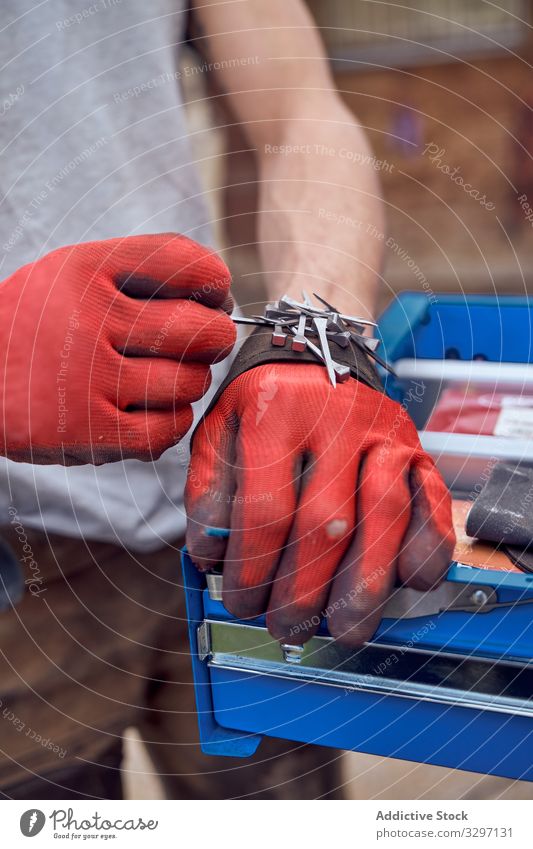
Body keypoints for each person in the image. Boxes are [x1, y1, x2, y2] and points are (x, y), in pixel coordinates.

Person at [0, 0, 453, 799]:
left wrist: (322, 339)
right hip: (20, 560)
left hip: (232, 485)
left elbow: (295, 106)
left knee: (281, 806)